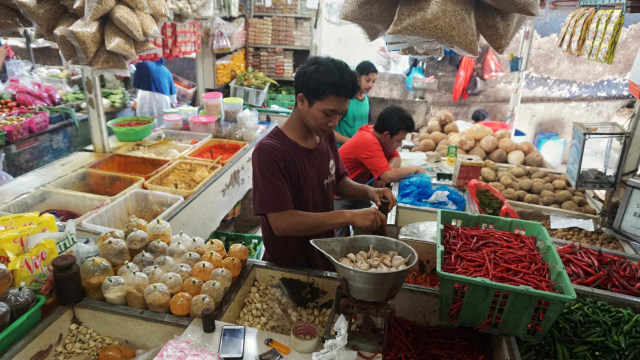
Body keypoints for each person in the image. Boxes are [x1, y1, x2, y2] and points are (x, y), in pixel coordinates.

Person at [252, 56, 396, 271]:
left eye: (341, 114)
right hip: (290, 265)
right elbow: (282, 223)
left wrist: (368, 192)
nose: (334, 122)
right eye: (328, 113)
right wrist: (349, 215)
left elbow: (335, 181)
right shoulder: (270, 151)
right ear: (301, 101)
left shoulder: (324, 134)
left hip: (324, 254)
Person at [335, 106, 426, 236]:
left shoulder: (377, 135)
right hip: (338, 194)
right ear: (387, 135)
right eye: (399, 140)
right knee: (337, 237)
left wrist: (382, 174)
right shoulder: (368, 140)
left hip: (357, 190)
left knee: (368, 227)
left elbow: (396, 158)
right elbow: (388, 176)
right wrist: (414, 169)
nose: (400, 145)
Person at [333, 60, 378, 147]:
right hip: (341, 151)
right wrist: (350, 142)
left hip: (358, 150)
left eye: (373, 81)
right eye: (367, 80)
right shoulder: (346, 100)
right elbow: (330, 130)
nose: (371, 85)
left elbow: (367, 127)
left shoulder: (367, 101)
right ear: (358, 78)